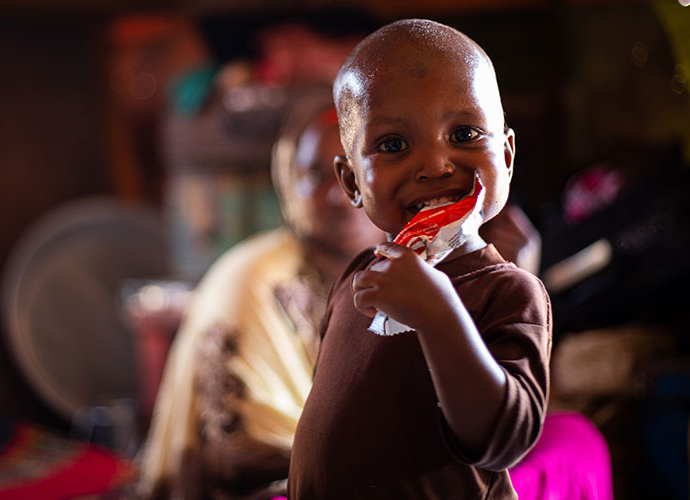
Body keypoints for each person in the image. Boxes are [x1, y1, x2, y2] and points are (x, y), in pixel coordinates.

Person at [288, 19, 552, 499]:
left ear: (507, 157)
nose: (434, 165)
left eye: (466, 133)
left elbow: (502, 441)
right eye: (393, 145)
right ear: (351, 182)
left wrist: (437, 313)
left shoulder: (508, 291)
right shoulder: (358, 276)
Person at [136, 86, 384, 500]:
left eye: (357, 172)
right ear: (287, 179)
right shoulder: (254, 277)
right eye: (317, 175)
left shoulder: (409, 269)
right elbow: (245, 452)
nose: (339, 196)